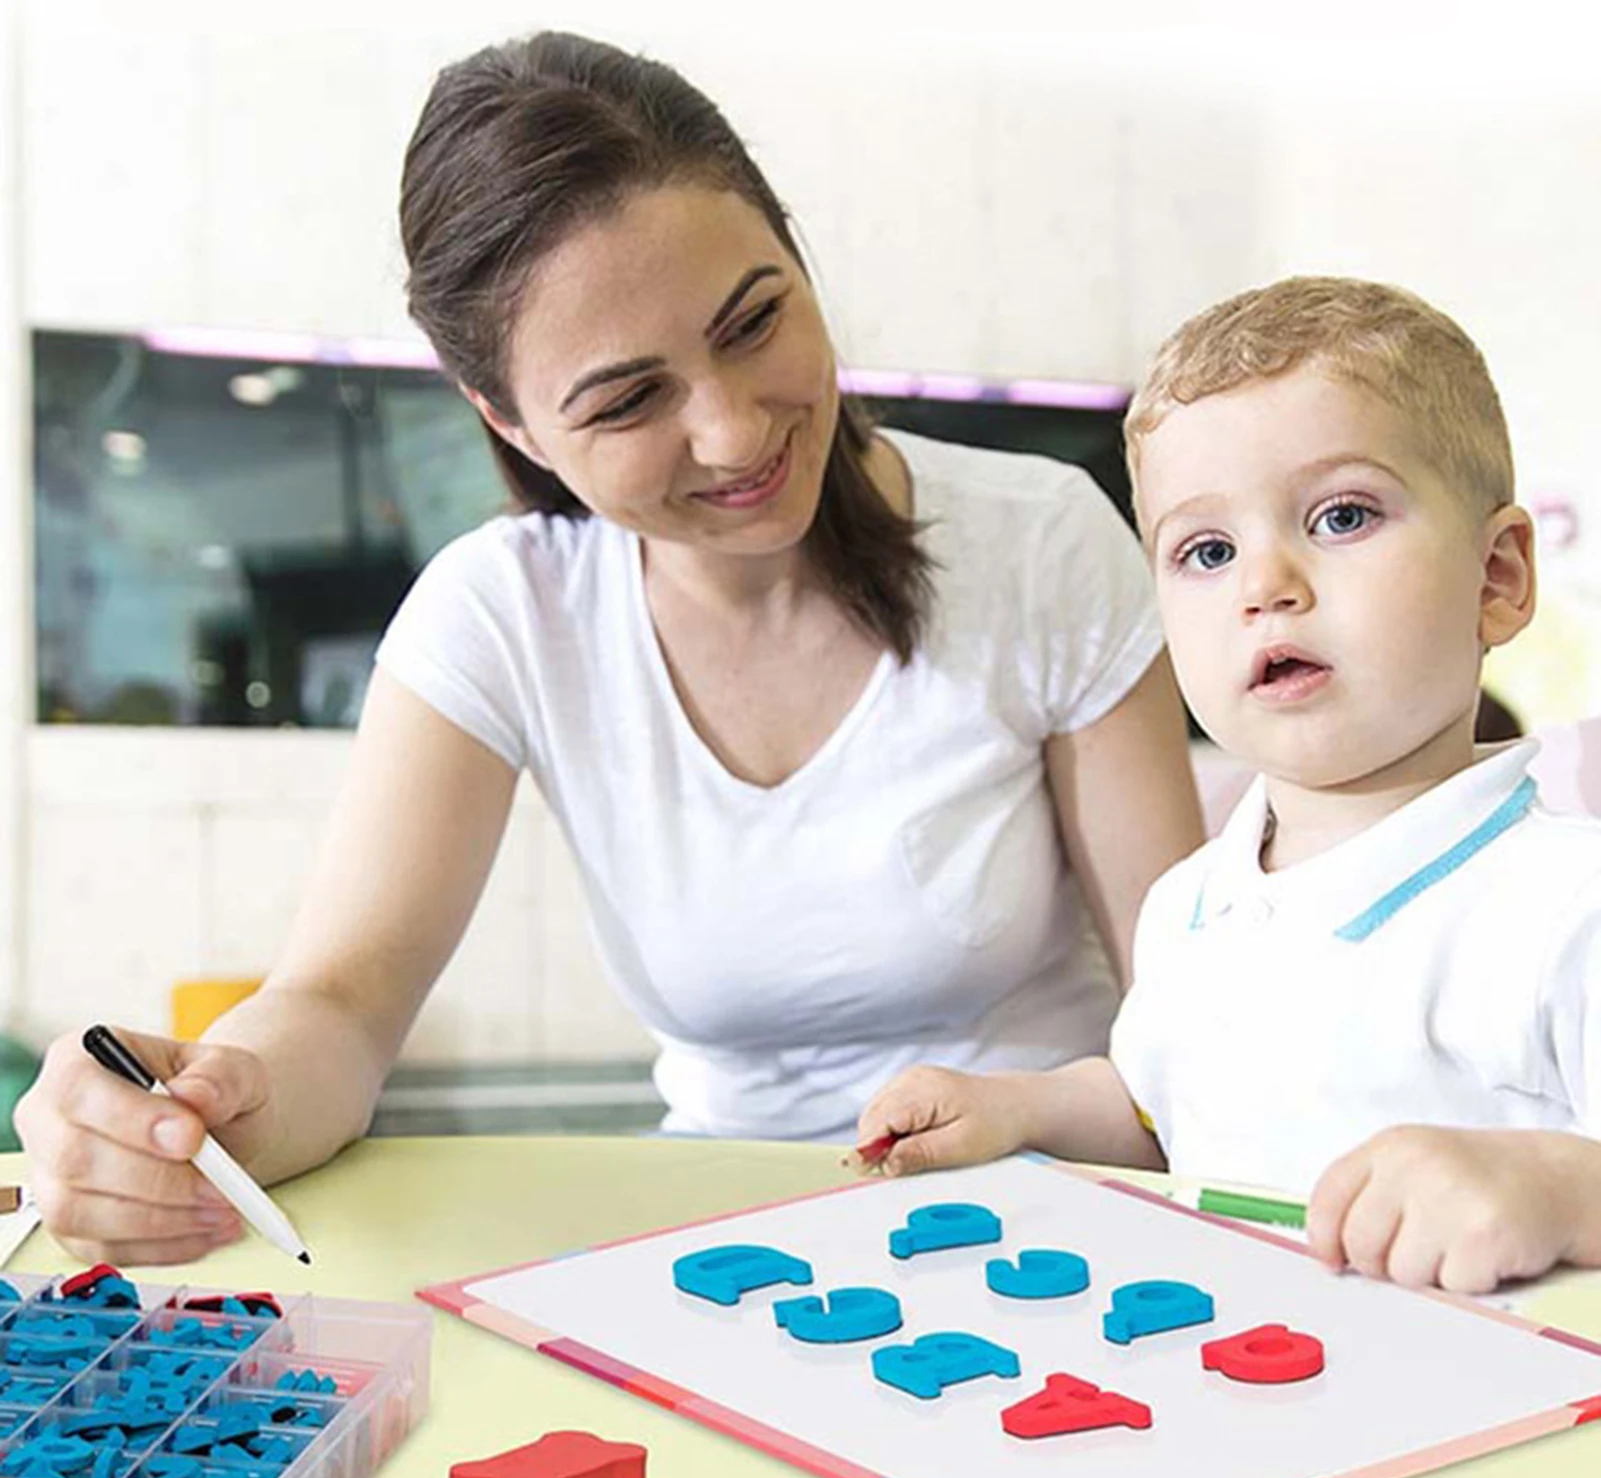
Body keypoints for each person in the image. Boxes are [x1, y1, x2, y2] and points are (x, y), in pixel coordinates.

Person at [14, 31, 1203, 1266]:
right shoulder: (503, 612)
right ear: (508, 418)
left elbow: (1191, 1001)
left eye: (753, 321)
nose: (734, 430)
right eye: (629, 400)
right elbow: (343, 1004)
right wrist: (215, 1105)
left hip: (1051, 1232)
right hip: (727, 1250)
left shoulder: (1041, 544)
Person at [857, 276, 1601, 1296]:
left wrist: (1558, 1186)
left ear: (1497, 576)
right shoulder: (1189, 904)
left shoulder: (1563, 904)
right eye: (1205, 550)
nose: (1264, 585)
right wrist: (1019, 1109)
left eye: (1340, 515)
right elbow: (1162, 1110)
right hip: (1243, 1409)